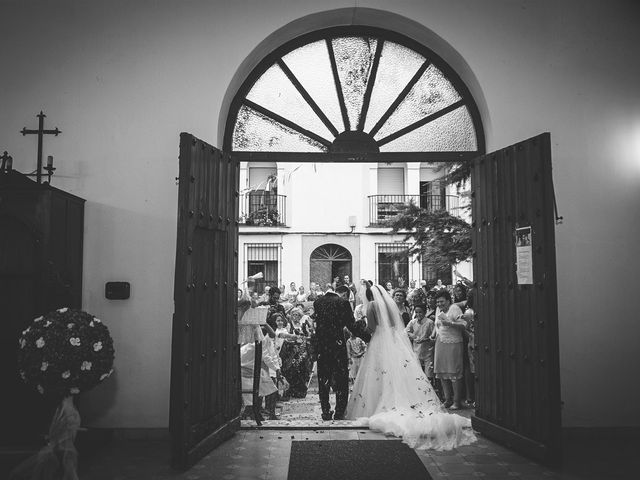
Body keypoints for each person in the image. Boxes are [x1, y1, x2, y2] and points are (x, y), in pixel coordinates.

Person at [346, 284, 476, 451]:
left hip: (379, 340)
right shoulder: (390, 304)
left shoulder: (372, 305)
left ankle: (380, 405)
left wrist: (361, 326)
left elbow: (371, 328)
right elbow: (395, 324)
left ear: (370, 296)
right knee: (398, 372)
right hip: (394, 341)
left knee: (379, 373)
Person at [312, 285, 356, 420]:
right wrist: (366, 336)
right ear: (343, 294)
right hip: (337, 345)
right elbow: (351, 325)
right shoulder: (343, 303)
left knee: (323, 378)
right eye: (346, 296)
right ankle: (339, 411)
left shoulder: (318, 301)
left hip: (322, 346)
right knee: (341, 379)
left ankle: (325, 410)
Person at [432, 290, 467, 410]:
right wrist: (433, 335)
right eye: (437, 302)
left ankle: (457, 401)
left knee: (454, 372)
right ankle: (447, 399)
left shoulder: (454, 308)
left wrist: (450, 323)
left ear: (448, 300)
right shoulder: (439, 310)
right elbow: (437, 325)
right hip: (440, 342)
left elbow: (464, 324)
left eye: (441, 301)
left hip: (453, 343)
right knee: (441, 372)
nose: (439, 304)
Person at [405, 304, 436, 380]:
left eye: (420, 312)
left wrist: (425, 339)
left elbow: (434, 336)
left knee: (429, 374)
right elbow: (406, 331)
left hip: (428, 352)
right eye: (416, 312)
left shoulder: (430, 322)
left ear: (425, 312)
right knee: (417, 373)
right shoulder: (413, 322)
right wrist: (413, 336)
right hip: (416, 351)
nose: (418, 314)